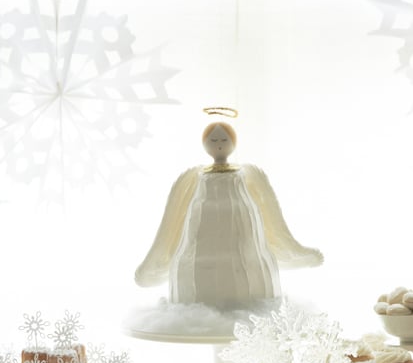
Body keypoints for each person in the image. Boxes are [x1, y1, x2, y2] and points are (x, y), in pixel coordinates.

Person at [135, 116, 322, 310]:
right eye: (213, 141)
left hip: (243, 242)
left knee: (243, 250)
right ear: (205, 144)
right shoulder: (200, 179)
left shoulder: (240, 177)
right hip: (199, 279)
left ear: (232, 143)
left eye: (224, 140)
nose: (218, 145)